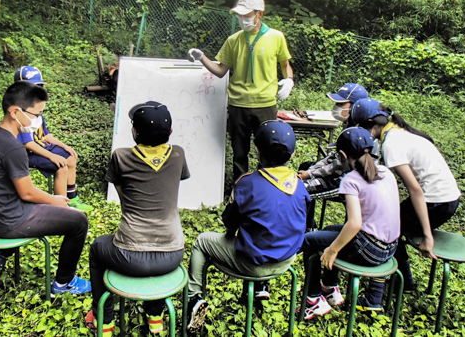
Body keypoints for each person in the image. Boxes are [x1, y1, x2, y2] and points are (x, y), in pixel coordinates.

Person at [0, 81, 90, 295]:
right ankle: (64, 283)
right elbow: (28, 192)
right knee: (78, 222)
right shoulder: (13, 148)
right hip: (6, 220)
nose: (38, 120)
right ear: (15, 112)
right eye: (36, 114)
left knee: (50, 208)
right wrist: (56, 200)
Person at [186, 120, 309, 333]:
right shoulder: (301, 186)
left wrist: (232, 231)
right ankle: (260, 289)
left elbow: (229, 223)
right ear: (294, 153)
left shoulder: (247, 182)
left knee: (202, 242)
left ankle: (193, 298)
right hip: (287, 260)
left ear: (256, 149)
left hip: (253, 263)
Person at [86, 101, 189, 336]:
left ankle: (105, 320)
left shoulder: (120, 156)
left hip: (127, 254)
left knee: (96, 248)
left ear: (134, 132)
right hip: (172, 254)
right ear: (171, 131)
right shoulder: (178, 154)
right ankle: (155, 319)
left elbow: (124, 199)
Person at [350, 97, 461, 296]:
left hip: (436, 202)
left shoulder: (391, 144)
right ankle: (403, 280)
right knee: (392, 223)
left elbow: (415, 190)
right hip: (451, 198)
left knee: (387, 229)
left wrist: (427, 236)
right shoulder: (402, 132)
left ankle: (393, 285)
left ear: (370, 125)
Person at [187, 0, 295, 181]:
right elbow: (221, 70)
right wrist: (202, 57)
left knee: (268, 149)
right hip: (238, 104)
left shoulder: (276, 37)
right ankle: (240, 188)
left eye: (247, 15)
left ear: (259, 14)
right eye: (240, 15)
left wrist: (289, 80)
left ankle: (266, 186)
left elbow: (285, 65)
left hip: (265, 104)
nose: (242, 19)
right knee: (239, 152)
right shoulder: (234, 40)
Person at [300, 127, 400, 319]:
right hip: (390, 248)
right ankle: (329, 288)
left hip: (369, 249)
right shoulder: (386, 172)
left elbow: (354, 224)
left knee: (309, 241)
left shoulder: (351, 179)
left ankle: (314, 300)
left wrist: (332, 250)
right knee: (329, 230)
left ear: (343, 155)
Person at [14, 66, 91, 212]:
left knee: (71, 158)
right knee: (61, 167)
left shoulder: (37, 108)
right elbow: (27, 143)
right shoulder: (19, 112)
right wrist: (52, 156)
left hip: (43, 146)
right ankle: (61, 206)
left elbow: (45, 134)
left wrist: (65, 146)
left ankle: (72, 197)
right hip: (28, 152)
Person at [299, 83, 369, 198]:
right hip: (339, 169)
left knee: (300, 188)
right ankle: (306, 216)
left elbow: (339, 164)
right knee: (305, 166)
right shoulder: (349, 124)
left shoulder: (359, 133)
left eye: (341, 104)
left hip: (346, 179)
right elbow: (335, 155)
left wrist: (310, 174)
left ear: (355, 106)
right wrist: (311, 171)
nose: (336, 107)